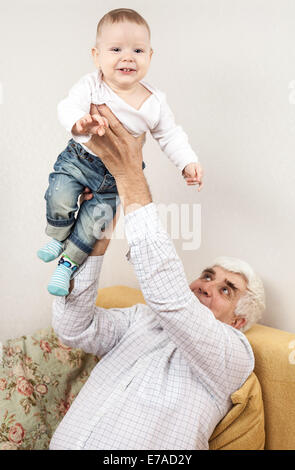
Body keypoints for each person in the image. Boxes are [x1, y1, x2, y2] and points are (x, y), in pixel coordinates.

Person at [49, 105, 265, 451]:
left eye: (226, 289)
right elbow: (73, 328)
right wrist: (98, 229)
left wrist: (130, 174)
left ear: (238, 320)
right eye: (207, 276)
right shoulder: (142, 319)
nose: (207, 285)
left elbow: (172, 299)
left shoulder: (234, 355)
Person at [37, 8, 203, 297]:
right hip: (78, 160)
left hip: (115, 180)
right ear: (96, 55)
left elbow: (170, 134)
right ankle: (57, 234)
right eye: (116, 49)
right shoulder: (91, 84)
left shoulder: (154, 101)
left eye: (138, 50)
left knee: (93, 226)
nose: (127, 57)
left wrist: (187, 161)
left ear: (150, 57)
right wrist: (80, 121)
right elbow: (67, 106)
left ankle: (66, 266)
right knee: (59, 194)